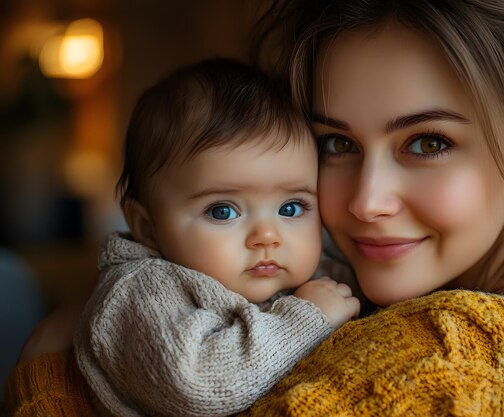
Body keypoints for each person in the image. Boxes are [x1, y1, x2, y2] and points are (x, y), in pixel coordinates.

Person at [4, 0, 504, 416]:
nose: (365, 202)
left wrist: (45, 383)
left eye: (428, 142)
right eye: (336, 144)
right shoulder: (345, 286)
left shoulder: (458, 366)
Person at [23, 58, 362, 417]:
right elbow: (198, 384)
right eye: (223, 211)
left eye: (292, 208)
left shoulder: (313, 269)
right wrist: (305, 317)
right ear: (147, 226)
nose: (267, 236)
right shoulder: (143, 291)